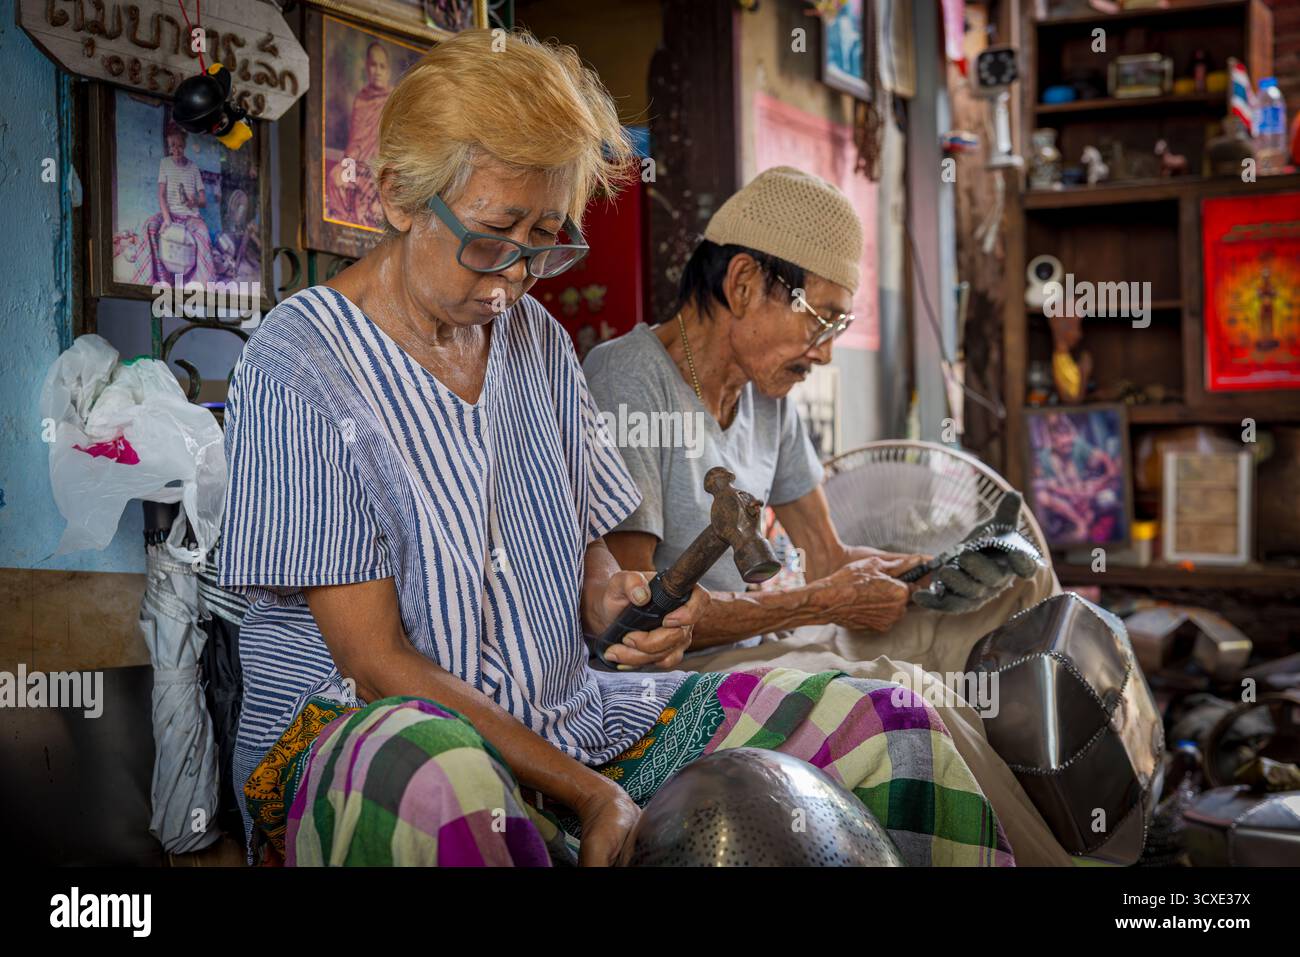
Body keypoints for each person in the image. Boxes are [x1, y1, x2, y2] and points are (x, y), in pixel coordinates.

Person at [219, 30, 1012, 868]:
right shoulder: (301, 363)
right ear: (397, 198)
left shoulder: (537, 341)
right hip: (368, 742)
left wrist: (610, 596)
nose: (513, 278)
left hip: (568, 712)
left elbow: (594, 554)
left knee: (886, 725)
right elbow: (375, 663)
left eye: (545, 242)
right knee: (441, 775)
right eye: (492, 237)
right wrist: (589, 791)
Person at [582, 166, 1071, 865]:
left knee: (1012, 592)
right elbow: (640, 623)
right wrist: (818, 601)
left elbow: (827, 554)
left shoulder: (765, 393)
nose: (829, 348)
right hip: (689, 670)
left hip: (780, 626)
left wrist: (923, 569)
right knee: (909, 691)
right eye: (824, 317)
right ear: (744, 282)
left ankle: (1075, 813)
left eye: (841, 323)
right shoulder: (629, 378)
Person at [137, 123, 214, 285]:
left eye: (180, 146)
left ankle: (201, 283)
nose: (177, 149)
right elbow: (161, 195)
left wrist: (193, 201)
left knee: (203, 234)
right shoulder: (164, 164)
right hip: (170, 214)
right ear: (169, 146)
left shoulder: (193, 168)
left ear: (184, 146)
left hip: (190, 217)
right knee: (150, 226)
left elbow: (203, 201)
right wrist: (167, 219)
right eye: (173, 146)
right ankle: (158, 279)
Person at [326, 42, 392, 229]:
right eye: (373, 65)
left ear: (388, 70)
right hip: (358, 165)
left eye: (382, 66)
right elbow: (355, 144)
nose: (377, 71)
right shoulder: (361, 99)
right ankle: (345, 227)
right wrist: (346, 168)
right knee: (335, 178)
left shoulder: (395, 101)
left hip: (384, 168)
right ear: (366, 67)